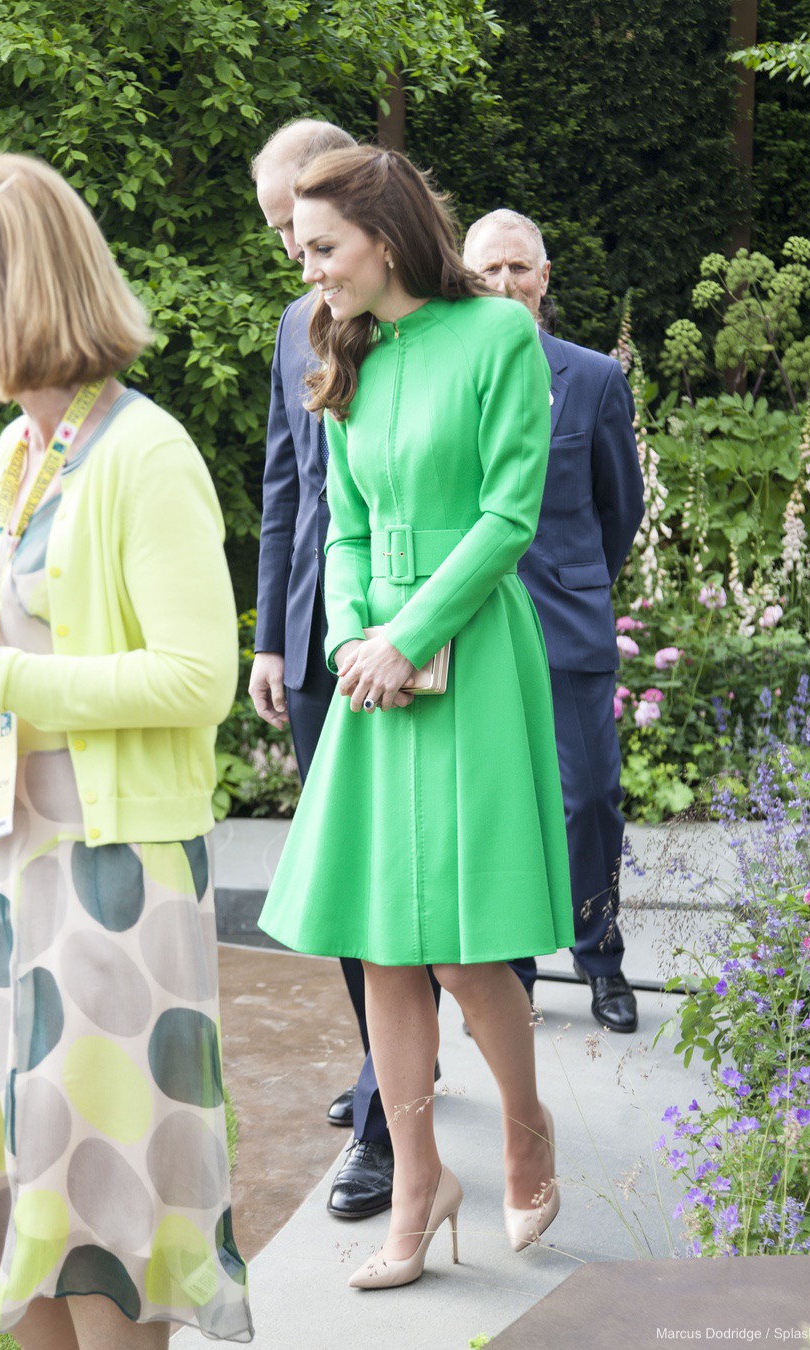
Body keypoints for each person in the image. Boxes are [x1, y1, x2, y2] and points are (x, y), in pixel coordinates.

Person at [258, 146, 574, 1289]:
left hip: (472, 653)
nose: (311, 273)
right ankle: (418, 1182)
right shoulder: (347, 350)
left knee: (460, 946)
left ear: (386, 237)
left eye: (324, 250)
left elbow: (509, 514)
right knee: (384, 941)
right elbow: (340, 526)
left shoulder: (497, 334)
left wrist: (412, 636)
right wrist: (352, 640)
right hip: (372, 669)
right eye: (303, 253)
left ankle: (528, 1131)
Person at [0, 153, 253, 1347]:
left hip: (110, 881)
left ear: (21, 288)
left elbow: (199, 680)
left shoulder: (146, 452)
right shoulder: (21, 455)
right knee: (25, 1214)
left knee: (104, 1219)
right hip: (7, 868)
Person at [249, 119, 441, 1223]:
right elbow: (288, 486)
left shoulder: (435, 327)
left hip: (414, 639)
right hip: (318, 640)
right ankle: (385, 1075)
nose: (292, 255)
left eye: (302, 228)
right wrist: (274, 637)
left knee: (413, 881)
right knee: (343, 882)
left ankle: (389, 1121)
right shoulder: (294, 326)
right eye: (278, 232)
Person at [463, 209, 645, 1032]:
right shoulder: (449, 372)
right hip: (479, 623)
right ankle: (514, 975)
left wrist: (580, 582)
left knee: (591, 798)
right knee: (503, 802)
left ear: (545, 278)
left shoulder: (595, 378)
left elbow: (620, 506)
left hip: (568, 619)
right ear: (465, 279)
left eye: (519, 268)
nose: (504, 284)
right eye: (488, 270)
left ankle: (599, 955)